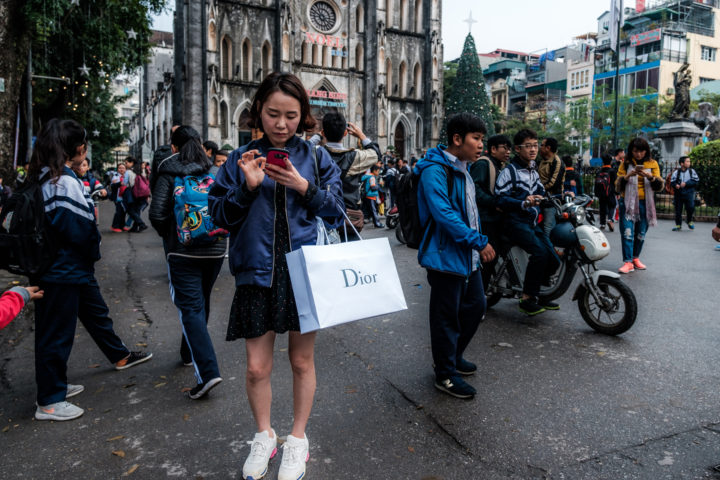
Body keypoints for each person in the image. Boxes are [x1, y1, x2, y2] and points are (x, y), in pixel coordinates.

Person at [208, 72, 343, 480]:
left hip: (303, 271)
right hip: (256, 272)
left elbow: (339, 209)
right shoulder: (239, 159)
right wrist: (246, 189)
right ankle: (264, 435)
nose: (281, 124)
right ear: (258, 112)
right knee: (255, 368)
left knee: (301, 362)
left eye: (290, 115)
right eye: (272, 114)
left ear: (303, 116)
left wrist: (305, 187)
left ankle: (297, 440)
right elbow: (218, 217)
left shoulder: (317, 158)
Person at [29, 119, 152, 422]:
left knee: (93, 313)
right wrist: (92, 248)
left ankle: (116, 357)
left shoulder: (45, 177)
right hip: (63, 269)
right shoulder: (63, 182)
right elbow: (80, 230)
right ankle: (49, 400)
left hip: (61, 267)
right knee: (56, 334)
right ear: (76, 148)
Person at [415, 112, 495, 400]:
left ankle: (452, 356)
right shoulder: (435, 170)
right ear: (457, 139)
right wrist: (477, 241)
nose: (480, 145)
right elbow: (444, 214)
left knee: (475, 306)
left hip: (466, 257)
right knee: (446, 316)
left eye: (482, 139)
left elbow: (470, 212)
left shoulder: (464, 168)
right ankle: (445, 375)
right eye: (476, 139)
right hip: (443, 256)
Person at [149, 125, 227, 399]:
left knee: (190, 308)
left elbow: (157, 215)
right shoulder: (214, 171)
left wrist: (175, 236)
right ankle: (187, 352)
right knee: (200, 301)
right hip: (216, 250)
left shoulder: (168, 171)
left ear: (174, 147)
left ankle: (207, 372)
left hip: (182, 252)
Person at [495, 128, 561, 316]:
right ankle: (527, 298)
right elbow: (500, 199)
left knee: (554, 259)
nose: (533, 149)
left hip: (531, 223)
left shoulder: (533, 170)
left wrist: (562, 196)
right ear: (517, 149)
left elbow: (543, 193)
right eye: (528, 146)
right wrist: (523, 202)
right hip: (514, 222)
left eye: (535, 145)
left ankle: (540, 294)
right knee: (540, 253)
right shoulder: (510, 172)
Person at [309, 113, 381, 238]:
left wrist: (317, 136)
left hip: (320, 216)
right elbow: (376, 154)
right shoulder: (355, 157)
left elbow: (302, 148)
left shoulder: (315, 154)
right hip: (349, 219)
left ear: (323, 133)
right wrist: (361, 135)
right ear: (345, 133)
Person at [615, 137, 663, 274]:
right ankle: (628, 261)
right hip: (628, 201)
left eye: (641, 151)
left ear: (646, 151)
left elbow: (659, 185)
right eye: (636, 151)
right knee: (627, 232)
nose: (639, 154)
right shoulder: (625, 164)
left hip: (645, 203)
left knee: (641, 233)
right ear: (631, 151)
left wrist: (650, 177)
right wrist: (628, 176)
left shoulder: (653, 164)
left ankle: (635, 258)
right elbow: (617, 186)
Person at [470, 133, 511, 290]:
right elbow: (475, 189)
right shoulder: (483, 164)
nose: (508, 152)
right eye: (505, 148)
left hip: (495, 217)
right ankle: (478, 293)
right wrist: (494, 203)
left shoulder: (499, 166)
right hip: (485, 218)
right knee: (487, 258)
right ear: (493, 149)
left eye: (510, 149)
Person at [537, 137, 565, 235]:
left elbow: (553, 183)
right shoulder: (542, 160)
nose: (539, 147)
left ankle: (549, 249)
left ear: (548, 148)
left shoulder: (557, 162)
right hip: (540, 199)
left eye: (542, 145)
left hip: (551, 200)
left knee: (547, 228)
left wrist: (537, 189)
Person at [670, 156, 699, 231]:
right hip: (678, 193)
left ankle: (689, 221)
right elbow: (672, 181)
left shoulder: (691, 171)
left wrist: (686, 184)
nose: (689, 163)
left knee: (690, 207)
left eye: (689, 161)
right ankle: (678, 224)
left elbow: (696, 180)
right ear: (682, 163)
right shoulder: (676, 172)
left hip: (689, 193)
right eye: (687, 161)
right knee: (678, 209)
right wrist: (675, 185)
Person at [595, 154, 617, 231]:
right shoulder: (612, 171)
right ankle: (610, 219)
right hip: (610, 192)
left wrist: (596, 193)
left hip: (601, 193)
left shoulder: (599, 171)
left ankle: (602, 224)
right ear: (610, 162)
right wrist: (617, 193)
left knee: (602, 208)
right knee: (612, 205)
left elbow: (596, 183)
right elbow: (615, 183)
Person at [127, 162, 149, 232]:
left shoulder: (131, 173)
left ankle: (141, 224)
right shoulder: (142, 173)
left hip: (136, 194)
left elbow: (129, 184)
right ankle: (135, 227)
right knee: (137, 210)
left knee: (130, 210)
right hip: (143, 195)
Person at [109, 163, 131, 232]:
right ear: (117, 169)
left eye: (123, 168)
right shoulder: (115, 176)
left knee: (123, 212)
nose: (121, 169)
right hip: (118, 197)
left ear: (125, 169)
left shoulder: (127, 176)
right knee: (118, 212)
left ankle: (122, 226)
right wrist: (118, 183)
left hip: (125, 197)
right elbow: (112, 186)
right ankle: (114, 226)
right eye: (120, 168)